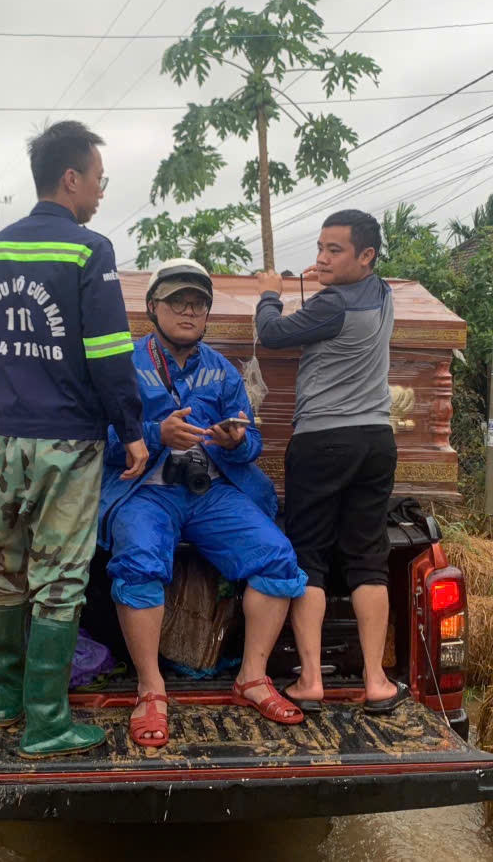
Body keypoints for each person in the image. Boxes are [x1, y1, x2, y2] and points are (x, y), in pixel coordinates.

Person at [0, 120, 149, 759]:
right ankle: (48, 724)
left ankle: (7, 702)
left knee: (3, 571)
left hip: (11, 441)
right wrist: (133, 431)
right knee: (61, 578)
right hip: (68, 442)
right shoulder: (89, 251)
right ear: (71, 178)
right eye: (99, 179)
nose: (101, 192)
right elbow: (109, 353)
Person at [98, 259, 307, 748]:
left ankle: (251, 678)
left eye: (198, 303)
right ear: (153, 307)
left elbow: (252, 442)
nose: (188, 311)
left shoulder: (223, 370)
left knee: (277, 557)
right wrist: (156, 433)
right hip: (145, 491)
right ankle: (151, 690)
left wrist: (236, 441)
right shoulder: (124, 364)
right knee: (139, 560)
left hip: (209, 492)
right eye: (177, 301)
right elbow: (97, 437)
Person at [254, 209, 406, 715]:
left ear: (367, 256)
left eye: (333, 250)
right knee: (367, 558)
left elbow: (272, 333)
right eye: (320, 247)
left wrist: (270, 293)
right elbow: (344, 287)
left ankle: (311, 680)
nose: (321, 258)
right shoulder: (383, 293)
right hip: (377, 441)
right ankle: (377, 681)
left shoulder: (333, 305)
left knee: (309, 556)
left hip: (323, 441)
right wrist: (328, 273)